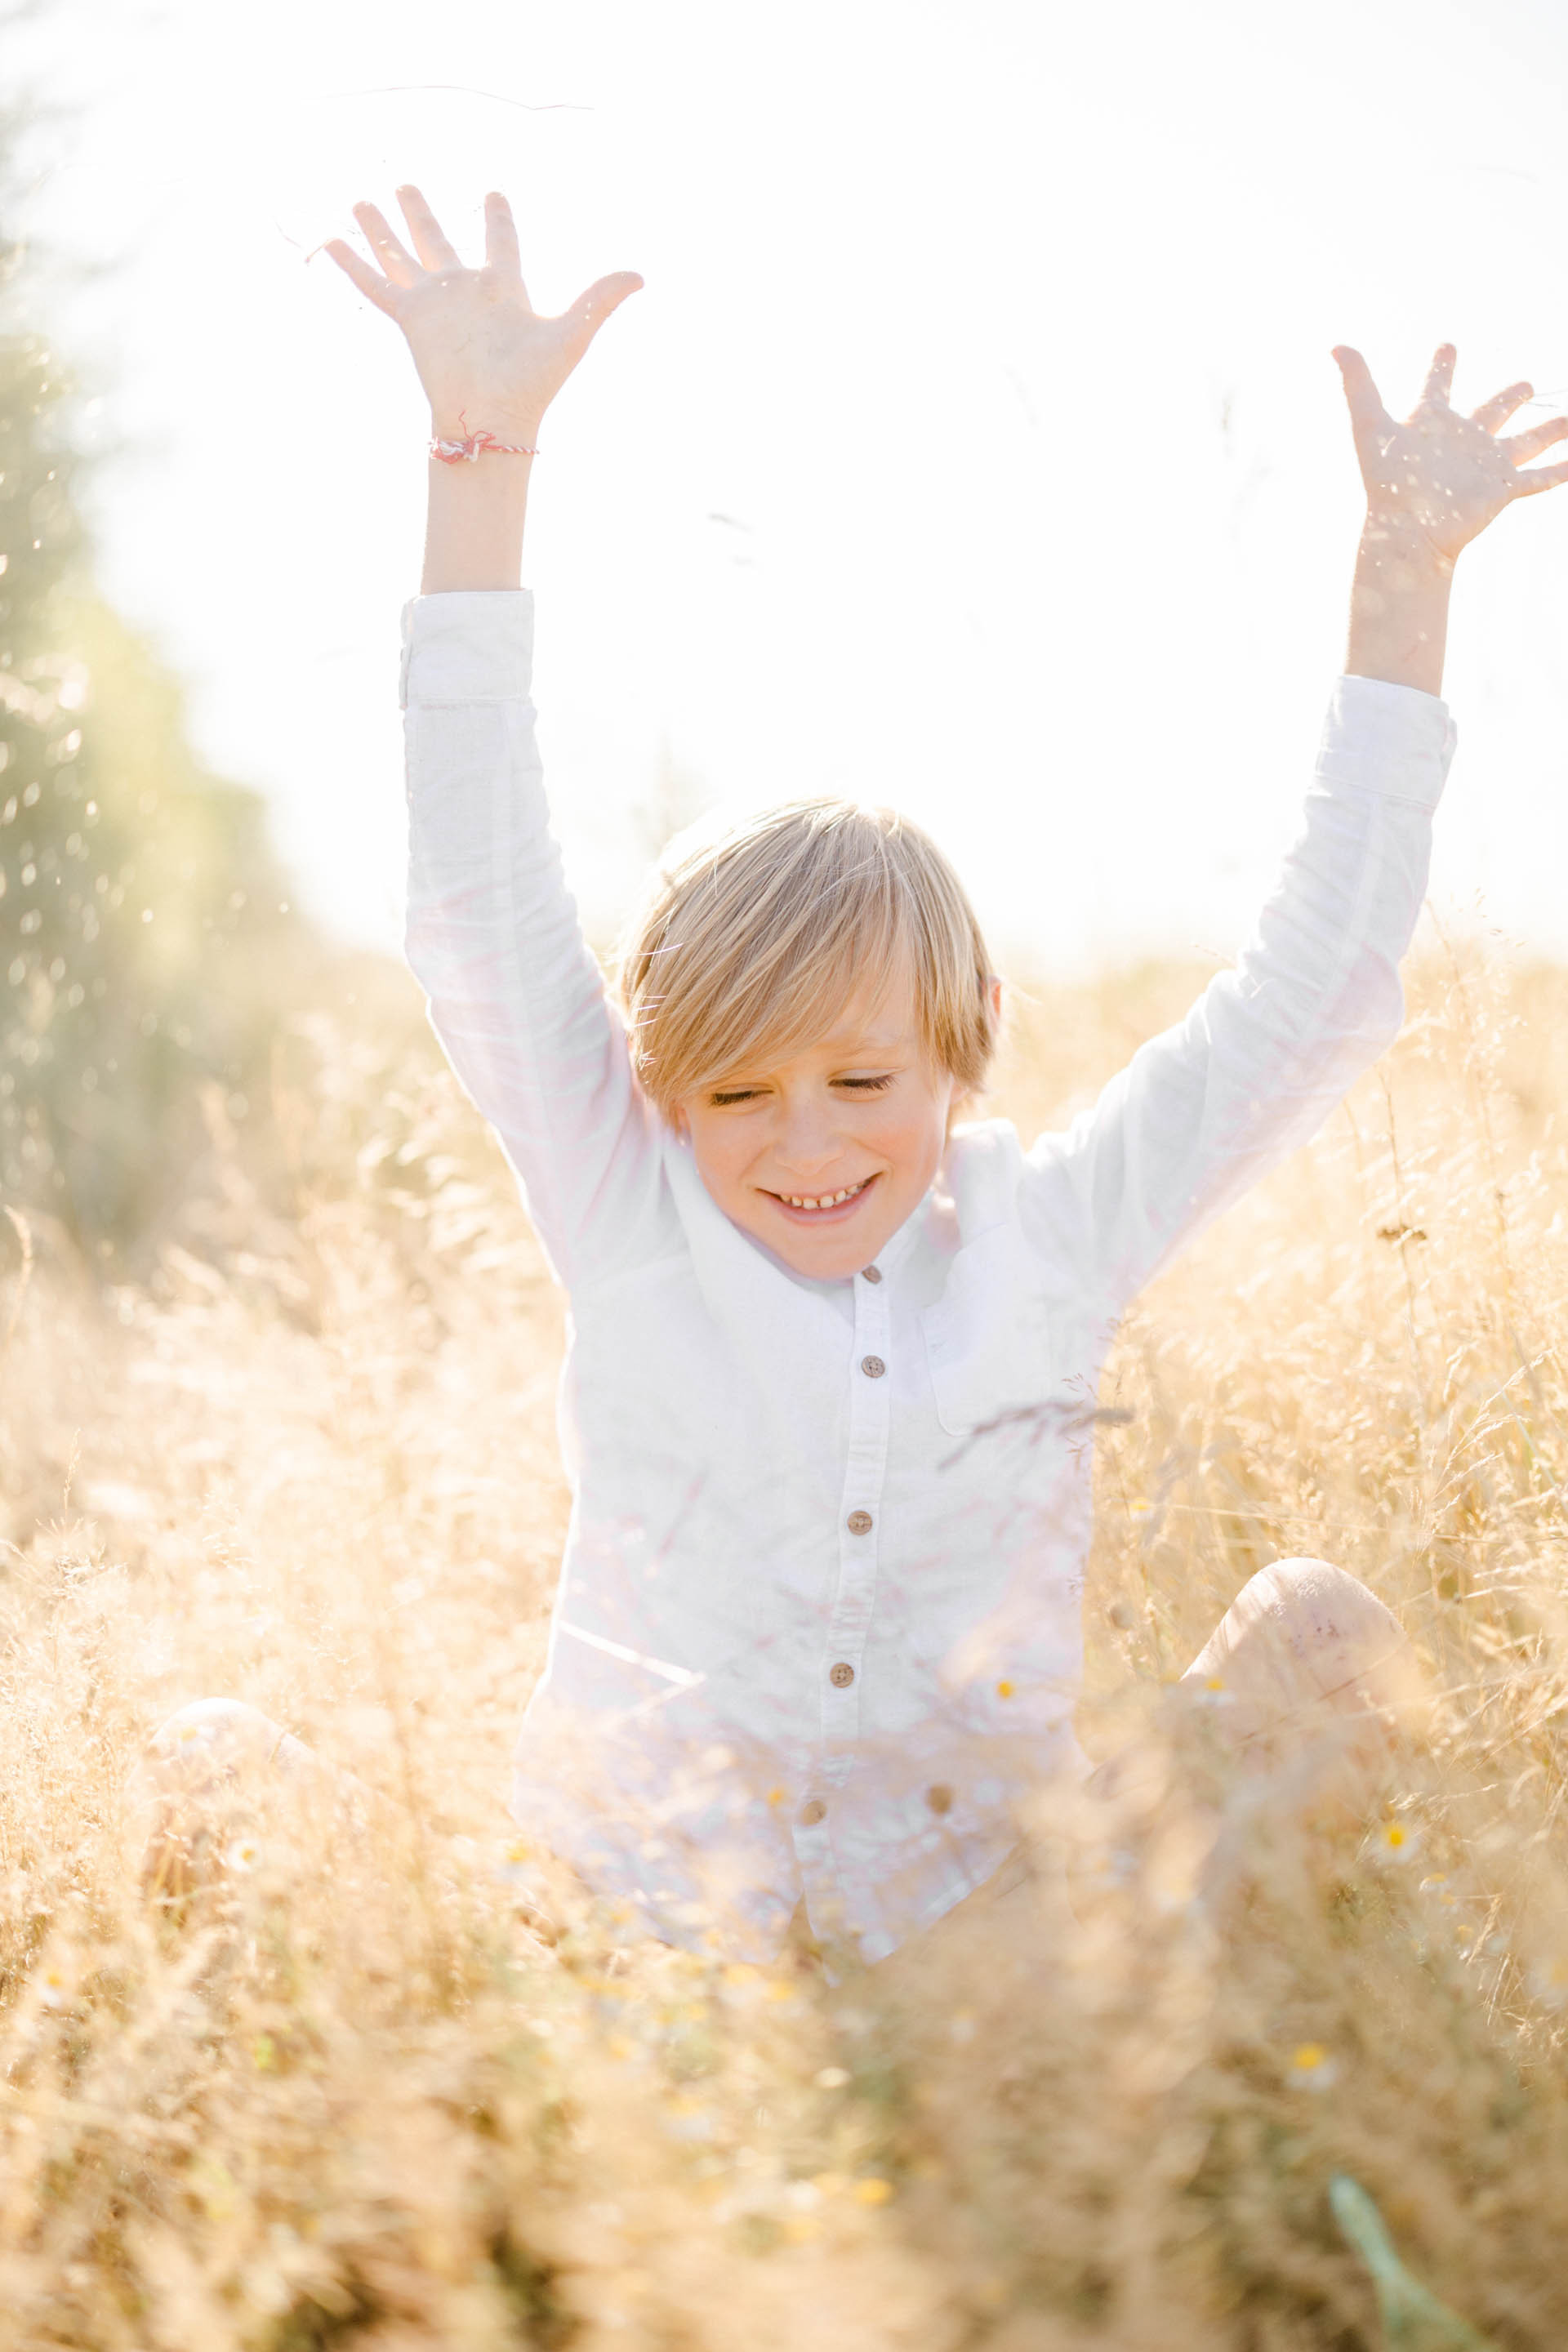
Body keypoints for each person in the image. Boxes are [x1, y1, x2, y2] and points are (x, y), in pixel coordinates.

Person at [141, 185, 1568, 1969]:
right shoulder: (625, 1202)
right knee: (216, 1768)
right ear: (665, 1092)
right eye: (735, 1094)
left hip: (979, 1946)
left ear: (962, 1034)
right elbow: (477, 903)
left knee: (1318, 1630)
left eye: (860, 1080)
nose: (802, 1142)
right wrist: (479, 452)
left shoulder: (1056, 1231)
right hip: (631, 1944)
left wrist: (1404, 585)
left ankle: (1288, 2060)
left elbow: (1321, 991)